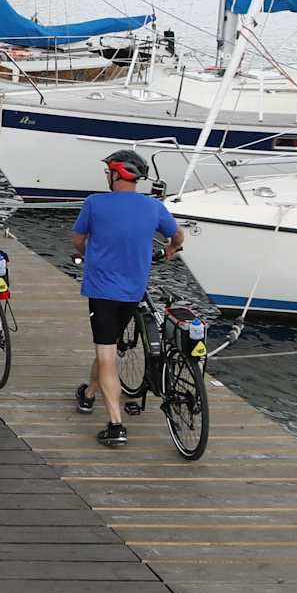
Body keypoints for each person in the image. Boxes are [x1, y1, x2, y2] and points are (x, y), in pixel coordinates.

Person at [71, 148, 185, 447]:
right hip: (133, 291)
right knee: (106, 345)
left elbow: (78, 240)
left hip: (102, 291)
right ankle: (89, 395)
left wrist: (89, 256)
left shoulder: (94, 203)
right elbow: (178, 236)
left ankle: (115, 425)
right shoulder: (153, 207)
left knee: (107, 355)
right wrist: (171, 250)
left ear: (115, 173)